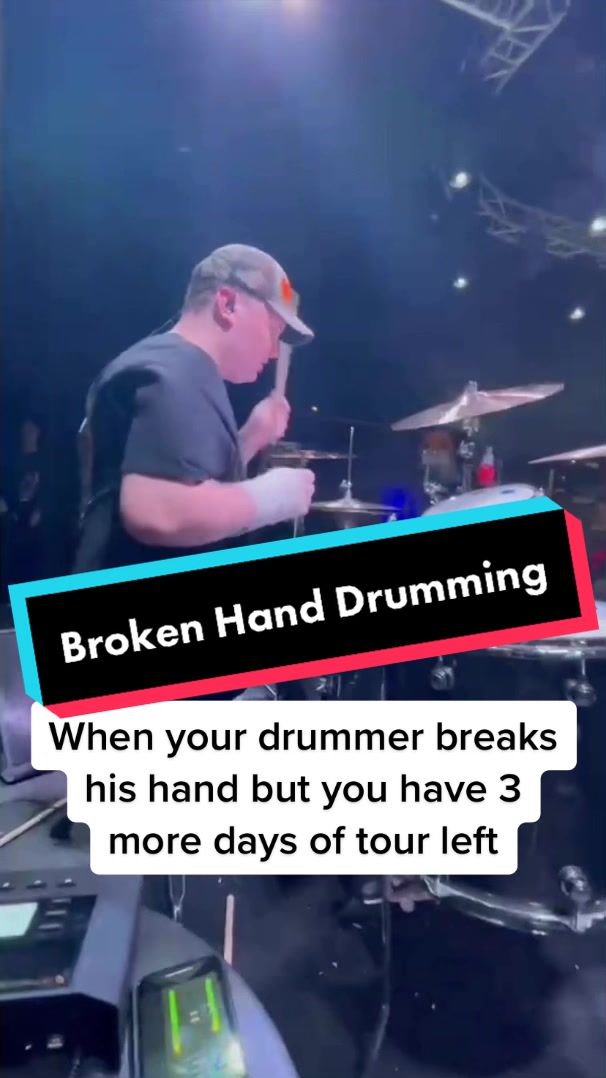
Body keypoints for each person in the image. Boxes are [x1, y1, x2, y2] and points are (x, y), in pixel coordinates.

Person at [73, 244, 316, 575]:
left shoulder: (167, 362)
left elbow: (183, 477)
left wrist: (249, 438)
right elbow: (156, 512)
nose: (274, 352)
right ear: (228, 304)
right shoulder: (178, 370)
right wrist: (273, 497)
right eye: (273, 330)